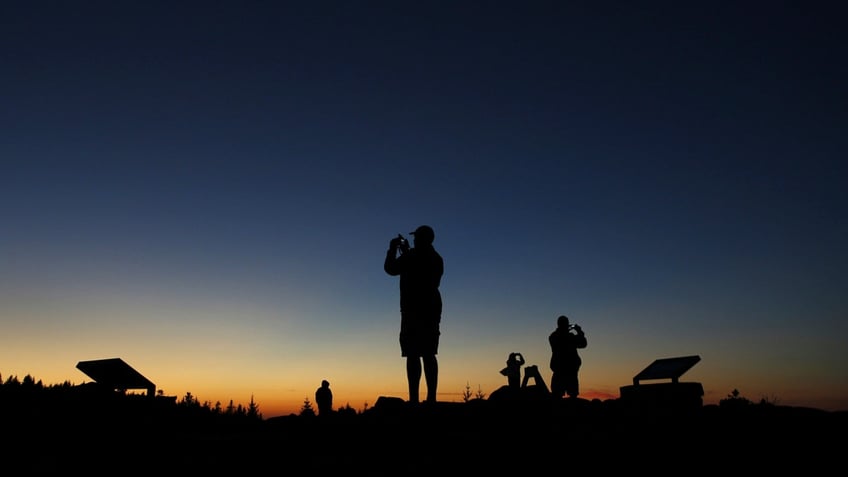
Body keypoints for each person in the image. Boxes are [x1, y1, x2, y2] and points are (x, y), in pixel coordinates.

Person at [383, 224, 444, 404]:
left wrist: (393, 249)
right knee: (428, 352)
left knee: (413, 353)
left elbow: (391, 269)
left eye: (417, 237)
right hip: (431, 308)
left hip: (413, 309)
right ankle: (431, 398)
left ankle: (414, 400)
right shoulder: (436, 257)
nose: (414, 240)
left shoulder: (412, 256)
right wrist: (407, 252)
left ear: (421, 239)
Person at [548, 315, 587, 399]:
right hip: (569, 370)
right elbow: (583, 343)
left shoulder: (553, 336)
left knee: (557, 394)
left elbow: (583, 344)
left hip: (560, 369)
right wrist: (579, 332)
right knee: (571, 394)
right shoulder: (570, 337)